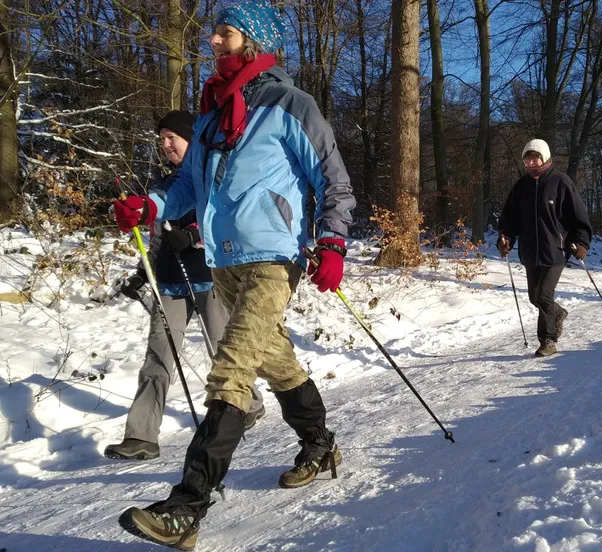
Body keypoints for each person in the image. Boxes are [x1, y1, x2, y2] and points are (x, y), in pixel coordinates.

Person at [112, 2, 356, 549]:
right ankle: (319, 444)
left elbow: (334, 182)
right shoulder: (209, 115)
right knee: (275, 359)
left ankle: (187, 506)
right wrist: (151, 205)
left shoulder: (292, 106)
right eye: (214, 34)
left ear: (255, 41)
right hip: (223, 261)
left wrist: (333, 243)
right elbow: (189, 191)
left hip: (275, 258)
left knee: (232, 369)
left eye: (225, 34)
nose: (215, 43)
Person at [105, 110, 265, 461]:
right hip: (170, 282)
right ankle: (141, 436)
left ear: (190, 140)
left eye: (171, 138)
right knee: (158, 358)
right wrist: (142, 273)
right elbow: (158, 237)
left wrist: (192, 235)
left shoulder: (214, 179)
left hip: (209, 277)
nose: (164, 145)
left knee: (222, 349)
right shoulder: (163, 186)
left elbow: (227, 225)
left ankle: (248, 402)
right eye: (161, 139)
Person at [497, 138, 592, 357]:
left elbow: (578, 217)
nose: (531, 162)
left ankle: (548, 340)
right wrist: (506, 238)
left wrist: (582, 243)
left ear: (546, 157)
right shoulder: (521, 187)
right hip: (530, 250)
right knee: (534, 297)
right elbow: (509, 219)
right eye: (527, 159)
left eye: (535, 157)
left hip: (556, 249)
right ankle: (558, 313)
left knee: (543, 295)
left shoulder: (561, 182)